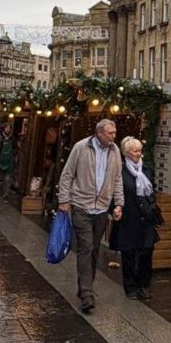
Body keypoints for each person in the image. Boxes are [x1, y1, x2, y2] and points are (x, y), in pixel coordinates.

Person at [57, 119, 124, 314]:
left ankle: (84, 285)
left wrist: (118, 203)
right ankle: (87, 293)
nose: (114, 136)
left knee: (94, 249)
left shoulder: (115, 151)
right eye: (110, 133)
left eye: (114, 133)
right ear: (99, 133)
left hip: (102, 208)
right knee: (85, 247)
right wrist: (64, 200)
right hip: (81, 206)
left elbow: (117, 178)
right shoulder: (81, 147)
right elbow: (67, 174)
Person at [109, 137, 159, 300]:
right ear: (127, 153)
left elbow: (153, 189)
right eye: (135, 151)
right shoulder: (120, 171)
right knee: (129, 253)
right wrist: (115, 209)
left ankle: (143, 285)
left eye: (140, 150)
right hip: (128, 217)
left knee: (146, 251)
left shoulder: (146, 169)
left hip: (146, 218)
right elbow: (113, 193)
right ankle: (130, 287)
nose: (139, 154)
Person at [0, 124, 16, 204]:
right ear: (4, 128)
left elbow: (15, 148)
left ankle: (6, 195)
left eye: (9, 128)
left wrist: (13, 155)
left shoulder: (12, 138)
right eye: (7, 128)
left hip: (9, 161)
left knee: (7, 179)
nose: (8, 129)